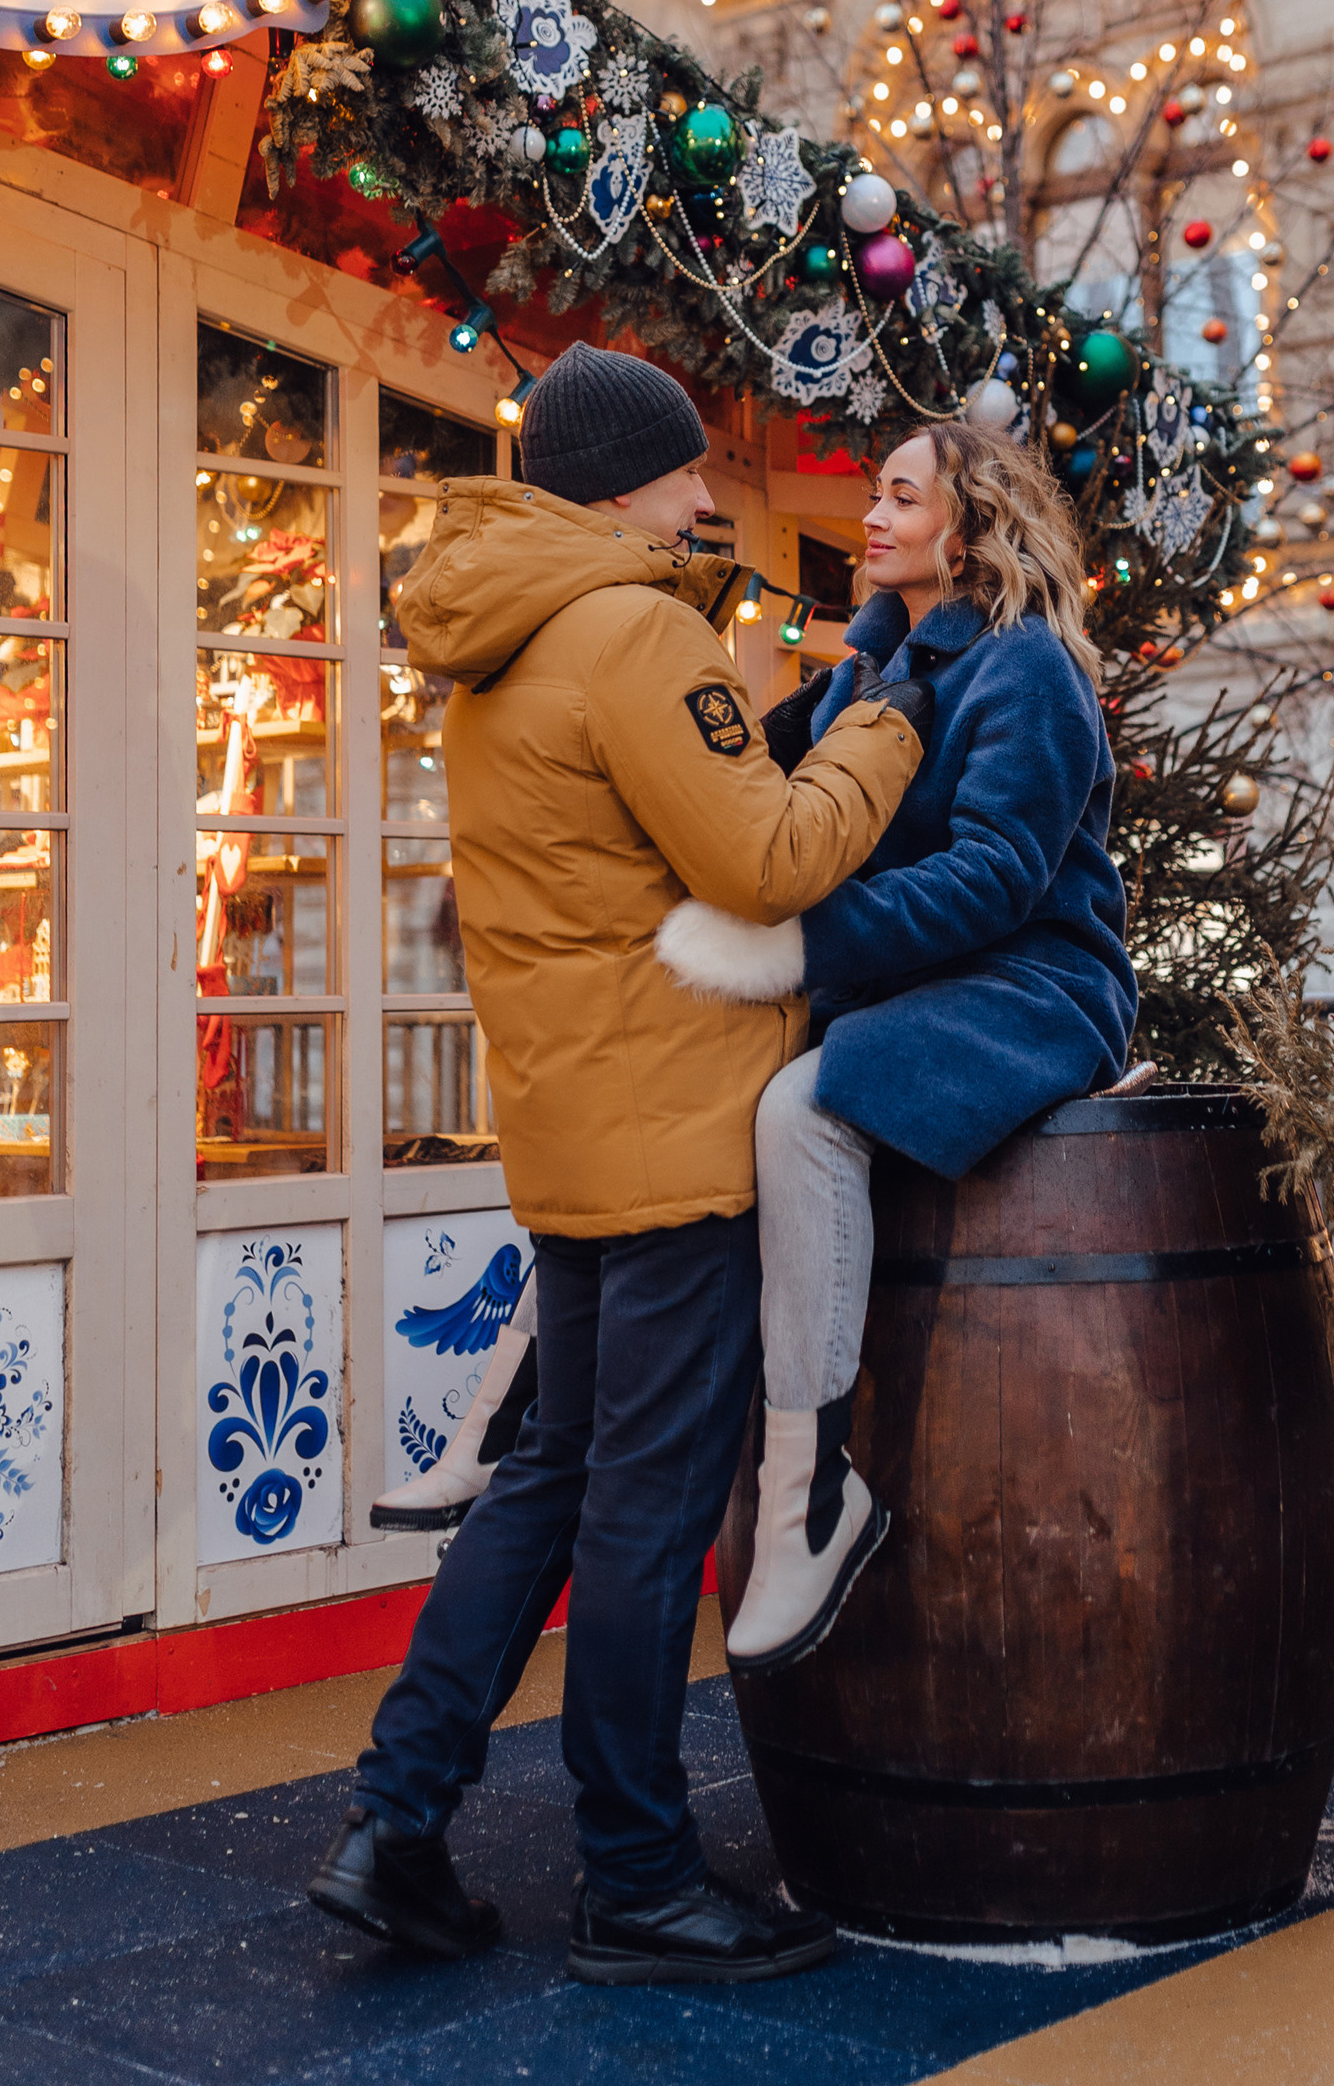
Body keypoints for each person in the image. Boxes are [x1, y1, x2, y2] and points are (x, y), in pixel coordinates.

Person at [307, 340, 929, 1981]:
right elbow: (766, 856)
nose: (706, 492)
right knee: (646, 1510)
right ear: (623, 483)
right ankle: (637, 1874)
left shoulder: (498, 635)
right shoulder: (638, 631)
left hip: (577, 1121)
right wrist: (878, 733)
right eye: (685, 468)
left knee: (552, 1475)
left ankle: (395, 1819)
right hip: (678, 1128)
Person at [656, 418, 1139, 1674]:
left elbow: (996, 878)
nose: (871, 517)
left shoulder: (1026, 668)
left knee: (800, 1110)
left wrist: (799, 947)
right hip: (903, 982)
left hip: (1031, 982)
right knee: (679, 1074)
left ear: (967, 529)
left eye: (901, 498)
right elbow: (767, 802)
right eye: (875, 496)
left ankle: (811, 1496)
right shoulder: (866, 668)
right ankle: (531, 1395)